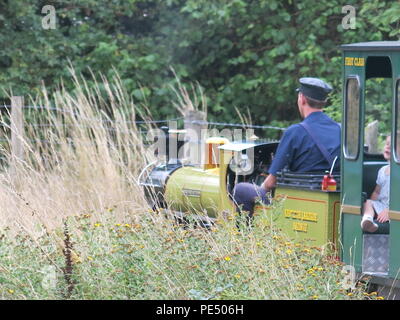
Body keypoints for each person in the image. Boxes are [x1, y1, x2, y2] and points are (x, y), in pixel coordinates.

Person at [233, 77, 341, 218]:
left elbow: (271, 181)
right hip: (333, 195)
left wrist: (261, 189)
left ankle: (246, 236)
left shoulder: (295, 132)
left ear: (301, 99)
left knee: (241, 189)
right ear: (324, 102)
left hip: (299, 198)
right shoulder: (340, 129)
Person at [361, 135, 391, 233]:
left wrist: (390, 211)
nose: (388, 147)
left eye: (393, 146)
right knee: (368, 202)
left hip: (395, 210)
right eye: (387, 144)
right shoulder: (383, 170)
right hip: (382, 207)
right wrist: (372, 206)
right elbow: (377, 192)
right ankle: (368, 220)